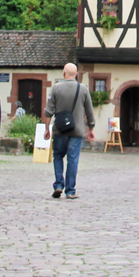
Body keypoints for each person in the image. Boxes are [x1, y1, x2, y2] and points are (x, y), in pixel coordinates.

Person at [45, 63, 95, 199]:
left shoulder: (55, 88)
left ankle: (59, 185)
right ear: (77, 74)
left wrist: (47, 128)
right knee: (73, 160)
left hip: (60, 130)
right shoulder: (83, 89)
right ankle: (70, 190)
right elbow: (90, 111)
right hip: (77, 131)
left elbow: (49, 111)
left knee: (58, 156)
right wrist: (91, 128)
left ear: (64, 73)